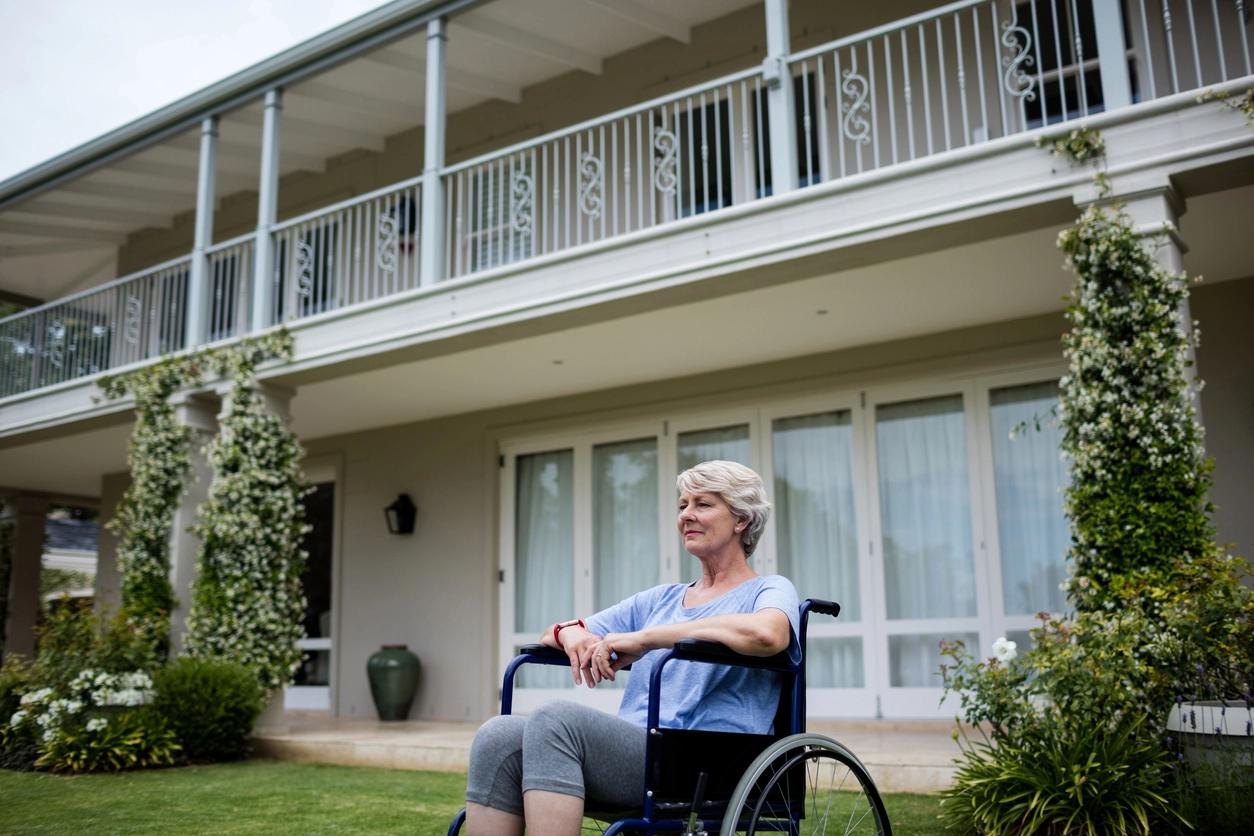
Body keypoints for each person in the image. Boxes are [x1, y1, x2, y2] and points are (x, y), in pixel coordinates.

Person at [465, 460, 800, 836]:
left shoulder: (768, 589)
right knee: (498, 734)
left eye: (703, 505)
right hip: (642, 750)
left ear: (741, 520)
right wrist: (571, 634)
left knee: (555, 717)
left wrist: (647, 638)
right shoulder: (660, 599)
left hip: (707, 759)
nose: (686, 516)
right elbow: (555, 633)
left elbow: (768, 635)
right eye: (682, 505)